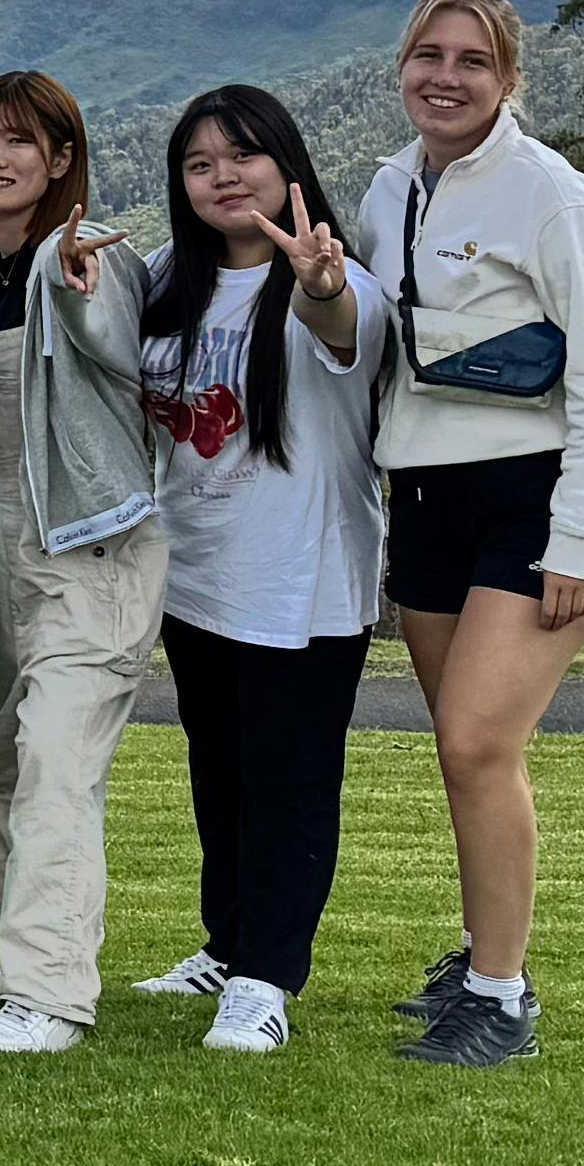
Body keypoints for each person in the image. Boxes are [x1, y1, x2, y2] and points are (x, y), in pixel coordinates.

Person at [354, 0, 584, 1070]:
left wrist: (580, 542)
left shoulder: (557, 200)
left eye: (473, 61)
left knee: (479, 740)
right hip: (428, 497)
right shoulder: (391, 186)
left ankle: (501, 998)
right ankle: (482, 957)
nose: (447, 78)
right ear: (403, 67)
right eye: (429, 56)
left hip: (536, 495)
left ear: (510, 79)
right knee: (464, 751)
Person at [128, 87, 386, 1054]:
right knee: (220, 773)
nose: (223, 177)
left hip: (300, 581)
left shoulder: (336, 276)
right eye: (199, 165)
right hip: (196, 574)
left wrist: (319, 283)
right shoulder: (168, 281)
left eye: (243, 156)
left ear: (287, 165)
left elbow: (342, 325)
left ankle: (267, 978)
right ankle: (227, 945)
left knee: (288, 783)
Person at [0, 71, 165, 1058]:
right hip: (6, 561)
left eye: (19, 141)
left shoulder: (88, 256)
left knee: (55, 767)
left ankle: (50, 995)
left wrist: (73, 288)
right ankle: (24, 957)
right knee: (4, 771)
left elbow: (106, 328)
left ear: (62, 159)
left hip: (91, 551)